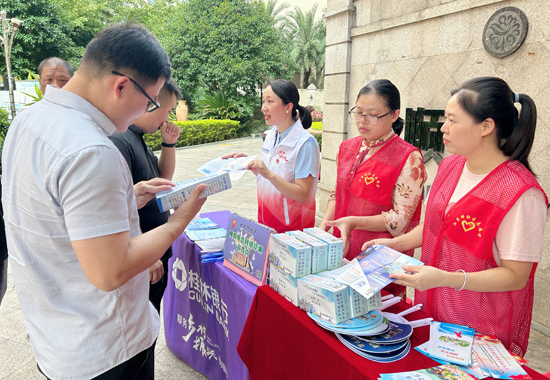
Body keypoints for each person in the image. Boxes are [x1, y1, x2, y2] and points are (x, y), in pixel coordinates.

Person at [1, 23, 206, 380]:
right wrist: (179, 221)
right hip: (106, 351)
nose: (148, 112)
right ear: (122, 85)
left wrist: (130, 196)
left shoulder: (28, 121)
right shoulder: (92, 150)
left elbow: (56, 214)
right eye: (151, 101)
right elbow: (110, 270)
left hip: (55, 339)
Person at [364, 77, 547, 357]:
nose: (443, 128)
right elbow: (435, 226)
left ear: (486, 126)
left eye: (452, 120)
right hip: (433, 307)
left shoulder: (521, 193)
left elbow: (516, 276)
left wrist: (446, 278)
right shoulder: (451, 166)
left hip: (480, 326)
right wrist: (393, 245)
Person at [319, 79, 426, 297]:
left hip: (378, 259)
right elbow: (336, 193)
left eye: (373, 115)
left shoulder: (408, 157)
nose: (362, 121)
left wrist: (354, 222)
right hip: (341, 248)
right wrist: (323, 229)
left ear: (394, 115)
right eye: (358, 113)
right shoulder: (347, 147)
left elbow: (399, 221)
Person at [109, 79, 182, 314]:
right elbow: (117, 207)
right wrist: (147, 257)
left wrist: (168, 144)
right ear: (151, 103)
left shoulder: (136, 136)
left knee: (152, 317)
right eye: (168, 110)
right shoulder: (120, 140)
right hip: (143, 256)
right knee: (143, 324)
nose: (167, 119)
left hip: (152, 251)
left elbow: (162, 176)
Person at [224, 79, 320, 233]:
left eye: (270, 101)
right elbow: (275, 173)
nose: (264, 108)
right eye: (263, 101)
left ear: (288, 106)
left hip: (292, 229)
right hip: (266, 221)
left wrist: (268, 173)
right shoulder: (271, 135)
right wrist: (248, 162)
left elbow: (302, 195)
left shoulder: (305, 144)